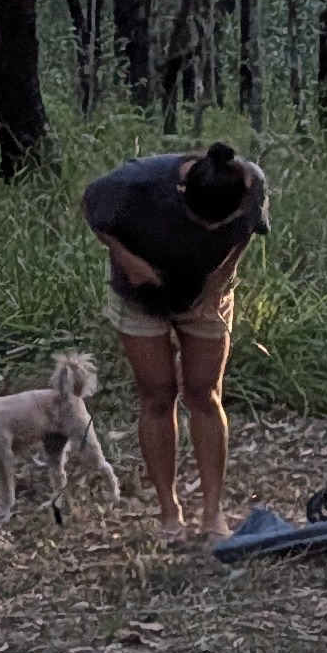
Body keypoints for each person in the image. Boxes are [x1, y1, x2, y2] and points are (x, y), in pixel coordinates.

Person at [80, 139, 270, 540]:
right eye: (204, 223)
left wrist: (221, 278)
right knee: (157, 395)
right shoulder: (135, 183)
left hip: (206, 296)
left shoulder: (250, 184)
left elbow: (245, 233)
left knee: (205, 394)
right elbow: (92, 211)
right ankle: (169, 510)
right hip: (141, 296)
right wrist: (129, 261)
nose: (212, 230)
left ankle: (212, 511)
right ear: (183, 193)